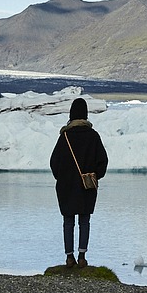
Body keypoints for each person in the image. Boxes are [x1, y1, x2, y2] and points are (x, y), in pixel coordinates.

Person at [49, 97, 108, 269]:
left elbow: (54, 162)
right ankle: (82, 257)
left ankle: (69, 258)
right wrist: (95, 176)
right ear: (85, 114)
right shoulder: (93, 136)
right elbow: (102, 161)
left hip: (66, 186)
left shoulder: (64, 137)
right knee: (84, 221)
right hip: (86, 186)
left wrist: (62, 178)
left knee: (68, 221)